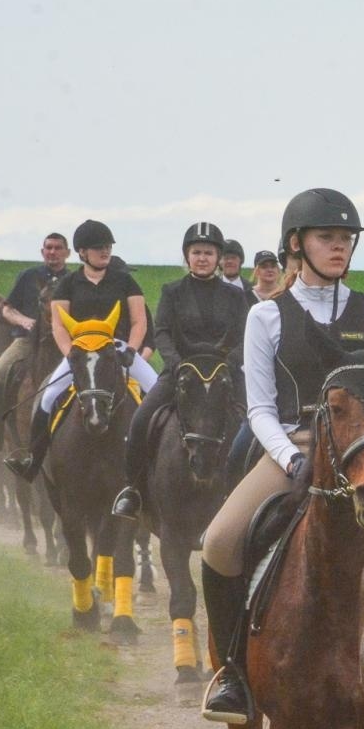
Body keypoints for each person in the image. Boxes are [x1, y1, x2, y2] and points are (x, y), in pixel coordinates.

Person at [198, 189, 364, 725]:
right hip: (295, 449)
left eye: (346, 239)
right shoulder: (267, 315)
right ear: (296, 243)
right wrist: (293, 458)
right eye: (327, 238)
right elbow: (258, 407)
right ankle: (232, 671)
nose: (339, 248)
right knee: (221, 542)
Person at [110, 222, 251, 518]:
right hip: (182, 371)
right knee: (141, 419)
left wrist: (232, 362)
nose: (202, 258)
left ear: (218, 257)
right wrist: (175, 363)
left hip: (224, 373)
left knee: (256, 423)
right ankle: (132, 489)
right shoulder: (172, 292)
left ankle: (254, 490)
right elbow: (161, 332)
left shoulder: (236, 296)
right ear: (187, 256)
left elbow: (244, 335)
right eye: (197, 252)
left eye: (209, 253)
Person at [4, 221, 159, 482]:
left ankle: (156, 463)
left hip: (117, 348)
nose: (105, 251)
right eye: (99, 248)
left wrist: (131, 349)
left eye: (108, 247)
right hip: (81, 352)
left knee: (155, 391)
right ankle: (33, 460)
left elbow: (139, 321)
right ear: (82, 252)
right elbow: (59, 325)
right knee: (48, 396)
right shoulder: (68, 284)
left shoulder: (125, 281)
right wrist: (70, 354)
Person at [0, 232, 71, 451]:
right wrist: (25, 321)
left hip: (63, 341)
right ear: (42, 251)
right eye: (48, 248)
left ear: (67, 253)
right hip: (27, 340)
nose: (53, 252)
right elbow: (7, 309)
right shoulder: (27, 276)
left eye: (57, 248)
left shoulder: (73, 280)